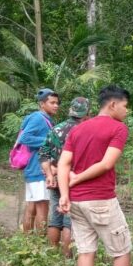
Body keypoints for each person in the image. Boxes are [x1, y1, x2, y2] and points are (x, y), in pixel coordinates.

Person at [58, 86, 131, 266]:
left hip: (77, 202)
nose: (126, 111)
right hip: (101, 199)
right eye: (125, 106)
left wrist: (64, 194)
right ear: (113, 105)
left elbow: (63, 164)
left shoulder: (78, 129)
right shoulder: (118, 128)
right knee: (121, 251)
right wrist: (78, 178)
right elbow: (107, 163)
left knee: (86, 252)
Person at [39, 97, 90, 257]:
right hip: (74, 180)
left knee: (55, 217)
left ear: (70, 110)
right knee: (69, 220)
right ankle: (67, 257)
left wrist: (49, 173)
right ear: (87, 113)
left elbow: (43, 153)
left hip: (55, 178)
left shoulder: (56, 129)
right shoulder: (86, 131)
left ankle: (52, 254)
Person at [17, 88, 59, 233]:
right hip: (39, 168)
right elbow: (25, 138)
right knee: (42, 207)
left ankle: (27, 242)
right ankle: (40, 245)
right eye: (52, 103)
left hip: (34, 168)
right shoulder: (38, 118)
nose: (56, 106)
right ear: (42, 104)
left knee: (32, 206)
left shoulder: (45, 119)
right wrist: (50, 141)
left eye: (57, 103)